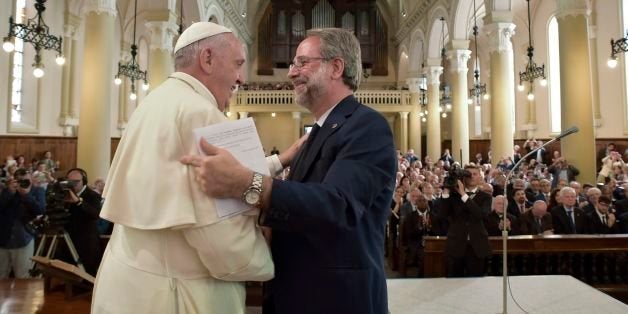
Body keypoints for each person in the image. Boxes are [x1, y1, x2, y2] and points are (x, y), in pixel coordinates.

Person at [181, 28, 396, 314]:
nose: (291, 73)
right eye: (292, 64)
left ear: (336, 67)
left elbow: (338, 205)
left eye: (302, 62)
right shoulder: (315, 135)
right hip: (297, 293)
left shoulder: (366, 126)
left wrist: (250, 184)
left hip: (337, 299)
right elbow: (299, 211)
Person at [91, 22, 282, 313]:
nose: (241, 78)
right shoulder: (201, 113)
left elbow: (170, 182)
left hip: (128, 285)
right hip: (177, 295)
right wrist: (267, 259)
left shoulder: (154, 101)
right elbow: (222, 238)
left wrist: (279, 160)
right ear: (207, 58)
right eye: (238, 64)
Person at [439, 164, 492, 277]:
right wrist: (446, 191)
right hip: (456, 245)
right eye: (468, 174)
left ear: (480, 177)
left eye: (475, 174)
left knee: (476, 282)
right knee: (453, 281)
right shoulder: (453, 196)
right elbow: (442, 215)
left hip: (477, 246)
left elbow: (480, 215)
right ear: (464, 177)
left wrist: (463, 194)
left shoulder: (485, 197)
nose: (471, 177)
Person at [53, 168, 103, 276]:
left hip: (86, 245)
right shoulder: (64, 194)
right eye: (69, 181)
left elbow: (94, 214)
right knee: (66, 277)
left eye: (76, 181)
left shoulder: (93, 196)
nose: (72, 184)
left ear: (84, 181)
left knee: (85, 280)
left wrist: (78, 201)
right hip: (67, 241)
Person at [0, 168, 45, 278]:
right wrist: (9, 193)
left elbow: (40, 210)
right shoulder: (7, 191)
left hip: (24, 237)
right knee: (1, 274)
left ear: (31, 179)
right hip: (3, 239)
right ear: (15, 180)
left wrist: (26, 195)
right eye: (20, 180)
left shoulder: (37, 191)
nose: (24, 183)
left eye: (26, 180)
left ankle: (22, 296)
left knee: (23, 275)